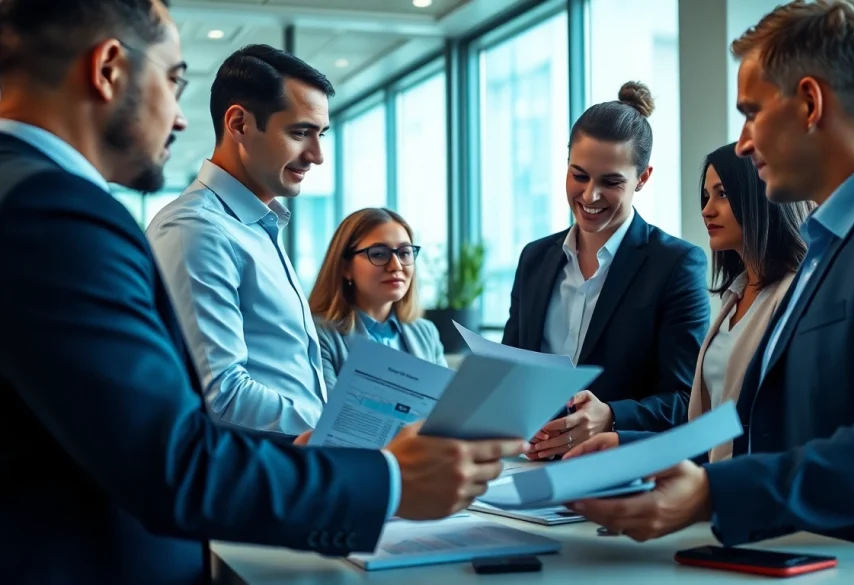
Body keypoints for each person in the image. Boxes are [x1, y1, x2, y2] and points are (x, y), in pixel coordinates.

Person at [0, 2, 526, 584]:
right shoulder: (59, 211)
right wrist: (386, 476)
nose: (179, 119)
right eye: (173, 81)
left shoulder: (255, 227)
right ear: (108, 69)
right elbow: (178, 443)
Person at [565, 0, 854, 570]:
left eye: (751, 113)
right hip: (796, 555)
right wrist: (633, 452)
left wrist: (710, 493)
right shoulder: (828, 243)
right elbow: (767, 428)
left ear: (809, 103)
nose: (743, 143)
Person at [503, 81, 711, 460]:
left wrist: (612, 417)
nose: (590, 195)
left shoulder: (676, 265)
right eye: (579, 175)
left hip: (618, 472)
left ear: (642, 178)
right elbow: (508, 370)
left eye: (611, 181)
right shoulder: (534, 259)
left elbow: (687, 399)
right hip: (528, 463)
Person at [571, 143, 812, 459]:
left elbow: (777, 426)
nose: (707, 210)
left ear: (760, 196)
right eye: (706, 196)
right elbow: (714, 429)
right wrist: (623, 442)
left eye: (722, 194)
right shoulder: (735, 296)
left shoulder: (794, 296)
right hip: (715, 483)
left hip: (752, 483)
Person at [147, 44, 335, 435]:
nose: (317, 155)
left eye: (321, 134)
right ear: (239, 124)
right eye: (300, 133)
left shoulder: (258, 226)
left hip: (293, 459)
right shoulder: (196, 229)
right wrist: (335, 432)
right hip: (258, 464)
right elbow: (221, 395)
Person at [310, 208, 447, 392]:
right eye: (379, 254)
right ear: (345, 268)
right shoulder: (318, 335)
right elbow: (326, 407)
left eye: (404, 253)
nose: (396, 266)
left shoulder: (425, 332)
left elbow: (446, 403)